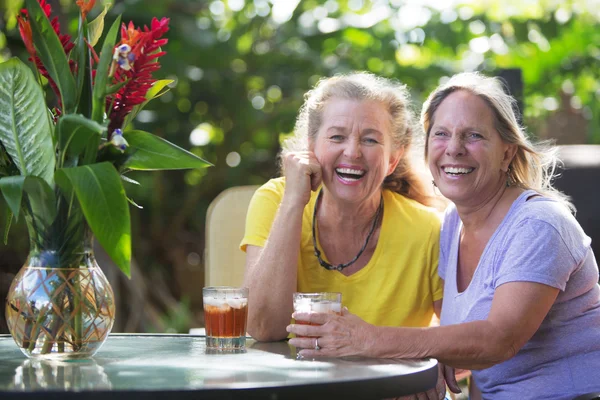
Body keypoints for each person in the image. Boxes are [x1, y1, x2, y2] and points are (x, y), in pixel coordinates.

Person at [287, 71, 600, 399]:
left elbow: (497, 341)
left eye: (473, 135)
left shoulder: (538, 225)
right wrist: (432, 356)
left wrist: (368, 339)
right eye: (441, 134)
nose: (454, 148)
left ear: (507, 153)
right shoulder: (452, 226)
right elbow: (466, 342)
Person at [240, 72, 445, 345]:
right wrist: (292, 203)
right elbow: (263, 327)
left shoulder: (429, 229)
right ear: (311, 147)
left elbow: (461, 345)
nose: (353, 152)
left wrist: (423, 358)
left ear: (393, 159)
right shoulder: (275, 200)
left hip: (387, 388)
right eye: (337, 137)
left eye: (370, 140)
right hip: (294, 386)